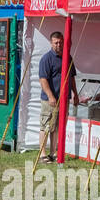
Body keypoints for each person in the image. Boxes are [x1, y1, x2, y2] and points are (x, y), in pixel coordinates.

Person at [37, 30, 80, 165]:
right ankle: (42, 154)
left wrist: (75, 94)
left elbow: (71, 77)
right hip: (49, 100)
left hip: (64, 99)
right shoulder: (46, 59)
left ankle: (53, 152)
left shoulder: (68, 58)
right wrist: (51, 96)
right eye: (56, 43)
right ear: (51, 43)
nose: (58, 45)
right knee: (46, 126)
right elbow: (43, 79)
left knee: (57, 127)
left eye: (60, 42)